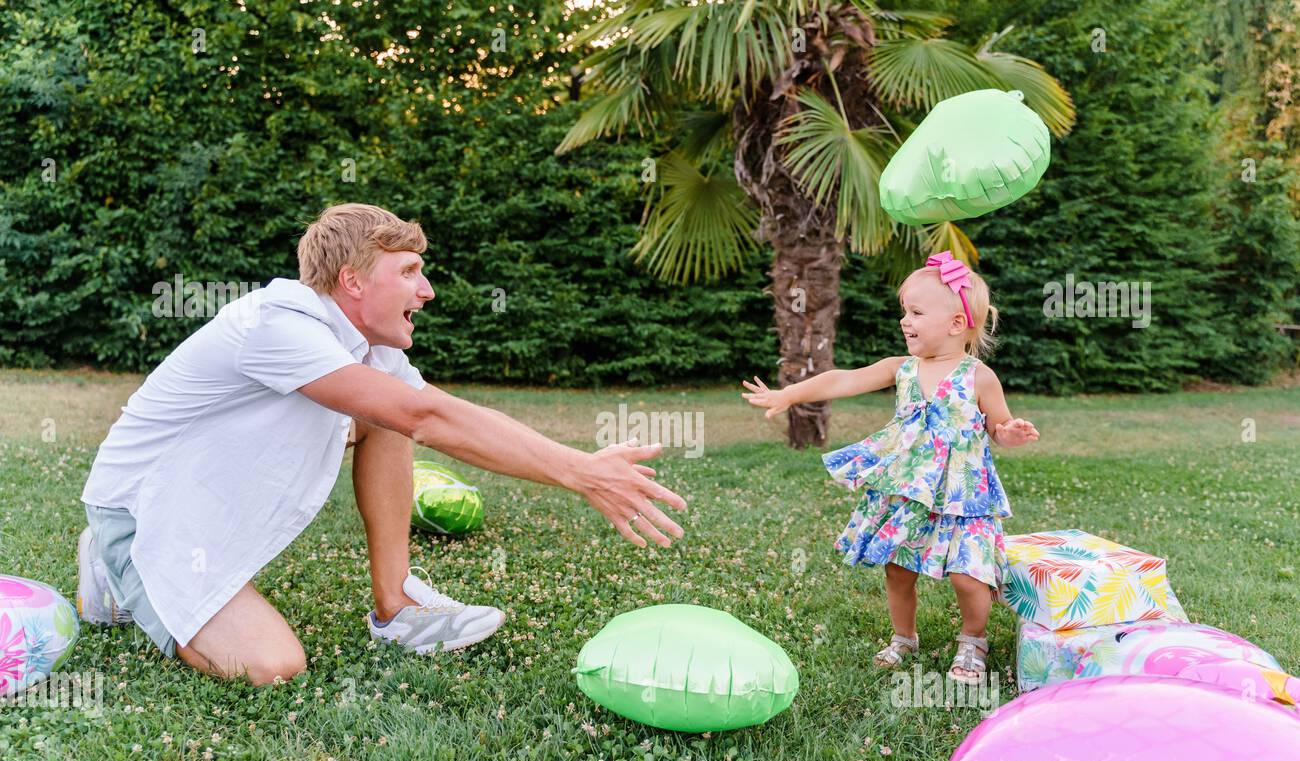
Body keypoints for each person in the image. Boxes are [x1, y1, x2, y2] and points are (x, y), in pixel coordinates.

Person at [77, 203, 686, 686]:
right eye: (410, 273)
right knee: (272, 667)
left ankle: (396, 608)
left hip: (200, 504)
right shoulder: (277, 326)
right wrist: (581, 470)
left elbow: (422, 413)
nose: (427, 293)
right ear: (352, 281)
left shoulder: (370, 348)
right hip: (147, 514)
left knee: (384, 418)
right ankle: (112, 568)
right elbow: (426, 416)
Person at [742, 252, 1038, 685]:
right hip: (908, 492)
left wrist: (1010, 433)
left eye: (916, 312)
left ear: (957, 323)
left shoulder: (979, 377)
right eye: (905, 311)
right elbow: (842, 379)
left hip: (963, 497)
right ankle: (904, 637)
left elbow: (998, 425)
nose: (905, 320)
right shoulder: (902, 370)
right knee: (898, 570)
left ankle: (973, 640)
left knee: (968, 576)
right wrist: (790, 394)